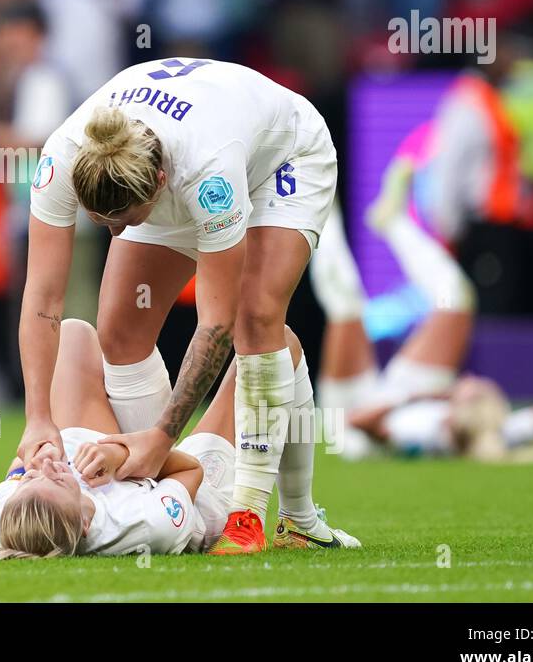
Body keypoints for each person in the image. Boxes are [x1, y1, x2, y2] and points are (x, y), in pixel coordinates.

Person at [17, 57, 338, 554]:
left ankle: (267, 516)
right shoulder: (62, 159)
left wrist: (162, 439)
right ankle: (157, 485)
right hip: (166, 153)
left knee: (256, 317)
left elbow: (215, 325)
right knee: (120, 328)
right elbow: (41, 298)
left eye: (123, 220)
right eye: (99, 220)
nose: (115, 233)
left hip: (282, 158)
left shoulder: (208, 173)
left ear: (160, 184)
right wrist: (38, 417)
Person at [0, 320, 358, 559]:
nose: (51, 468)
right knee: (277, 343)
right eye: (54, 479)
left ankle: (135, 393)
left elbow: (28, 474)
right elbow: (188, 468)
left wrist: (38, 460)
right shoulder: (145, 524)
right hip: (190, 488)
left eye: (33, 478)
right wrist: (122, 452)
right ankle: (299, 520)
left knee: (71, 335)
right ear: (87, 521)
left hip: (107, 465)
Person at [311, 202, 533, 461]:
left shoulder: (425, 432)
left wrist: (420, 397)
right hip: (411, 395)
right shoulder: (495, 430)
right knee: (457, 300)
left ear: (464, 404)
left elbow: (357, 422)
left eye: (476, 388)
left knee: (346, 305)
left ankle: (319, 206)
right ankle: (393, 222)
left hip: (353, 427)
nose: (470, 378)